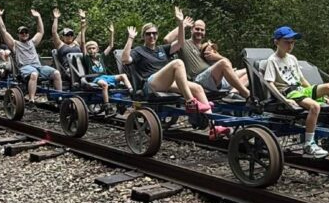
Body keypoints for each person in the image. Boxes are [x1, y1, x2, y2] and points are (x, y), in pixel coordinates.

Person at [263, 26, 329, 158]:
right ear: (276, 42)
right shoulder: (272, 61)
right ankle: (309, 143)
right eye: (287, 42)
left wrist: (317, 93)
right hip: (289, 92)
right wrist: (283, 99)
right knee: (314, 107)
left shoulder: (292, 58)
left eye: (292, 42)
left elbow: (302, 79)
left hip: (300, 89)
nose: (290, 45)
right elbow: (269, 83)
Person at [121, 9, 230, 138]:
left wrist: (180, 24)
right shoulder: (139, 51)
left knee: (198, 88)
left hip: (167, 83)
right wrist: (130, 38)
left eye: (154, 34)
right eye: (148, 34)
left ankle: (214, 126)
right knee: (177, 63)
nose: (152, 36)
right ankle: (190, 102)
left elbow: (180, 43)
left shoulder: (162, 49)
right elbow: (124, 59)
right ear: (143, 36)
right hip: (151, 84)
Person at [163, 8, 251, 100]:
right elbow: (167, 40)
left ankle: (232, 93)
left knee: (250, 70)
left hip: (216, 79)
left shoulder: (206, 47)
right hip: (200, 80)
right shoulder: (183, 43)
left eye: (202, 30)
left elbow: (228, 63)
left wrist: (216, 56)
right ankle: (247, 95)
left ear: (205, 32)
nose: (199, 32)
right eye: (197, 29)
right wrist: (182, 24)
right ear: (191, 30)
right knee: (223, 63)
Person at [0, 6, 62, 102]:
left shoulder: (32, 42)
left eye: (26, 32)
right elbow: (3, 31)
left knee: (56, 73)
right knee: (34, 74)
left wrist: (38, 17)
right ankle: (31, 99)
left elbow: (40, 31)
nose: (24, 34)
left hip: (38, 67)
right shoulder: (15, 44)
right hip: (25, 68)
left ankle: (59, 97)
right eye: (22, 33)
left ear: (28, 34)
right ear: (18, 34)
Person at [78, 23, 132, 106]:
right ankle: (107, 105)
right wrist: (83, 30)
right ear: (87, 50)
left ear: (97, 49)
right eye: (89, 49)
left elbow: (111, 46)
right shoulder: (87, 58)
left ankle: (131, 92)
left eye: (93, 48)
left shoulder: (101, 57)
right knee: (104, 84)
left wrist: (112, 33)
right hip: (95, 79)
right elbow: (82, 42)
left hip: (106, 77)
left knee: (123, 75)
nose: (91, 50)